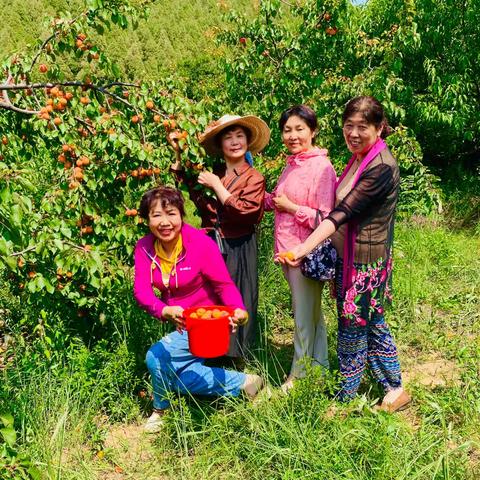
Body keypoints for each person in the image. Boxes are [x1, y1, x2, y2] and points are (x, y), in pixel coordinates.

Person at [280, 96, 411, 412]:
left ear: (379, 128)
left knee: (352, 328)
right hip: (354, 256)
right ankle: (394, 388)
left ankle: (344, 400)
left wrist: (304, 246)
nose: (353, 133)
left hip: (365, 262)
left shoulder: (380, 167)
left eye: (362, 127)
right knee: (373, 322)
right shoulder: (360, 157)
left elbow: (341, 213)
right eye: (348, 125)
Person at [134, 186, 263, 433]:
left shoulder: (199, 244)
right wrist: (163, 310)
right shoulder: (145, 248)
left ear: (181, 215)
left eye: (171, 213)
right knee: (178, 378)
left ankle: (160, 410)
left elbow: (224, 285)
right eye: (156, 215)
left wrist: (238, 310)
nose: (164, 222)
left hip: (207, 324)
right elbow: (142, 291)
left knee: (155, 356)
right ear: (147, 220)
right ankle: (244, 383)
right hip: (180, 322)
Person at [169, 115, 270, 365]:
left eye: (239, 136)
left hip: (239, 245)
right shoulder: (213, 173)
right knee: (209, 298)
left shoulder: (253, 178)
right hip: (211, 245)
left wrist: (217, 186)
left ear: (247, 141)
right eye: (228, 137)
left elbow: (245, 212)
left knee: (238, 296)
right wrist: (179, 154)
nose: (235, 142)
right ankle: (208, 352)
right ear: (221, 144)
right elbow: (192, 191)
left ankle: (236, 359)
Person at [264, 105, 337, 392]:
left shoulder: (321, 168)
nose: (292, 136)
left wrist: (292, 208)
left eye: (299, 129)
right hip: (287, 251)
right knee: (311, 315)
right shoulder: (293, 164)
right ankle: (318, 370)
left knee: (303, 317)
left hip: (305, 253)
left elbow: (325, 217)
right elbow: (277, 202)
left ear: (313, 131)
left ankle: (297, 377)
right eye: (287, 130)